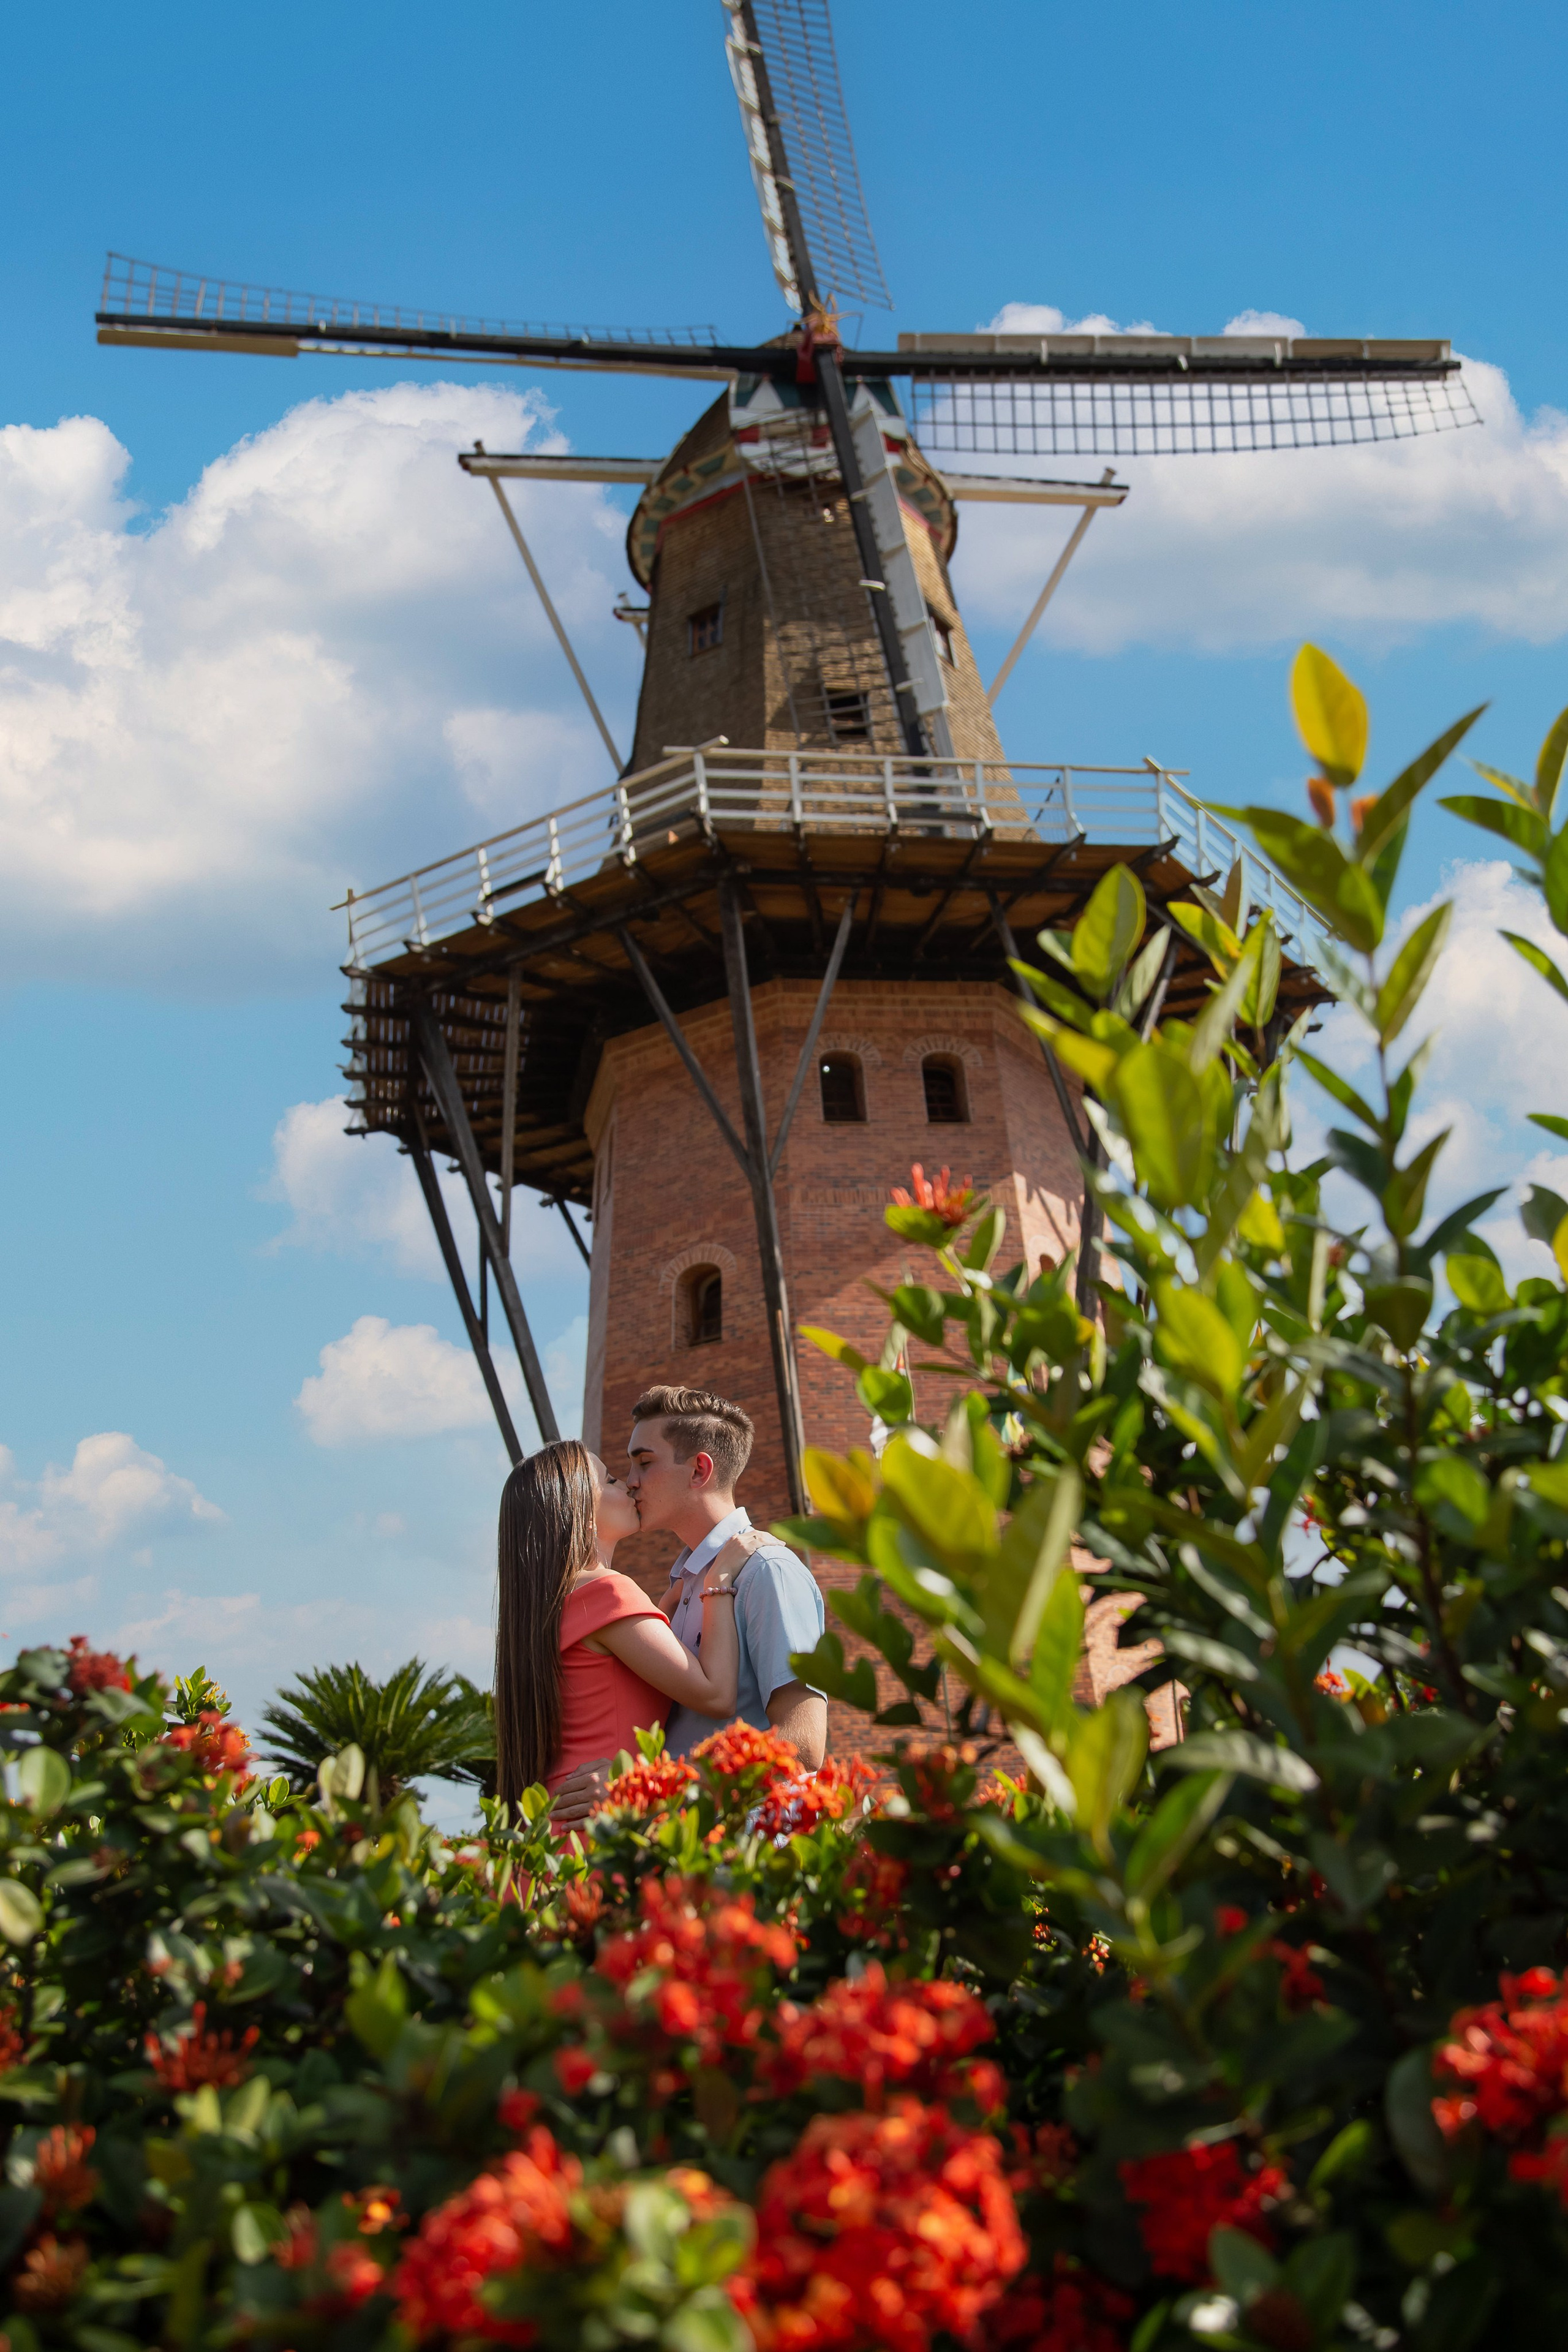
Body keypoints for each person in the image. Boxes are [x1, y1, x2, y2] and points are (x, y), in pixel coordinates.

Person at [550, 1387, 825, 1829]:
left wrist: (646, 1784)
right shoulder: (682, 1589)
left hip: (743, 1859)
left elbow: (803, 1745)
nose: (631, 1480)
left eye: (644, 1462)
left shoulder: (765, 1571)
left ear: (699, 1470)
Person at [492, 1436, 757, 1815]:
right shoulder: (607, 1592)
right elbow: (716, 1695)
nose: (630, 1483)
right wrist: (720, 1580)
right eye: (612, 1480)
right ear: (581, 1509)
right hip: (597, 1831)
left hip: (550, 1834)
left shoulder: (550, 1605)